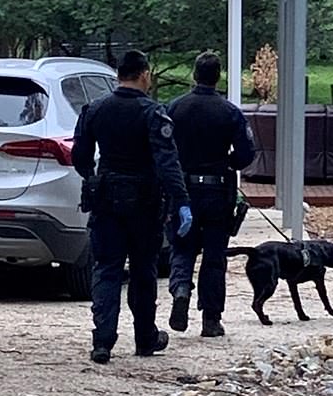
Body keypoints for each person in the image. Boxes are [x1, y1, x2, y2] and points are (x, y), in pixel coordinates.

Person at [71, 50, 192, 363]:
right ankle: (144, 337)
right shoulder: (153, 113)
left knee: (107, 269)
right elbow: (168, 162)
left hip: (107, 198)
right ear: (144, 75)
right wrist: (181, 201)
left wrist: (93, 179)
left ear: (117, 76)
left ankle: (102, 342)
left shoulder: (95, 109)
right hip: (144, 201)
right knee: (142, 270)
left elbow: (80, 157)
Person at [167, 51, 255, 337]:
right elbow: (245, 154)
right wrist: (227, 162)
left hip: (183, 189)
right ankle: (211, 319)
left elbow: (162, 147)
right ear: (218, 77)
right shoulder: (229, 112)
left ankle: (181, 288)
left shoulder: (174, 108)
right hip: (218, 190)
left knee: (182, 247)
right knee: (215, 256)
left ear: (194, 74)